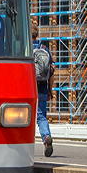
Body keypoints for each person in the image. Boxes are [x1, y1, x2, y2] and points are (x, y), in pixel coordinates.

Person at [33, 27, 54, 156]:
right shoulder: (44, 49)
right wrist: (49, 90)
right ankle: (46, 137)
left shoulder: (24, 48)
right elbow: (51, 72)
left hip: (28, 88)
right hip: (42, 88)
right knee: (41, 117)